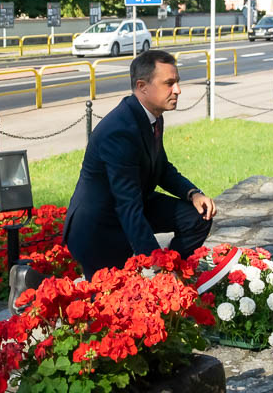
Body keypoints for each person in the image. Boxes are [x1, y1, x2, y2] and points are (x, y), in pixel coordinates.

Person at [62, 49, 216, 279]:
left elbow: (161, 168)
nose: (178, 90)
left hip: (132, 206)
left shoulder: (152, 116)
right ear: (142, 86)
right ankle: (28, 281)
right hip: (98, 229)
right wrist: (156, 262)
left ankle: (175, 275)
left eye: (177, 82)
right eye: (169, 83)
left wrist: (193, 193)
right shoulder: (120, 131)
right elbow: (127, 206)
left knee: (197, 217)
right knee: (110, 298)